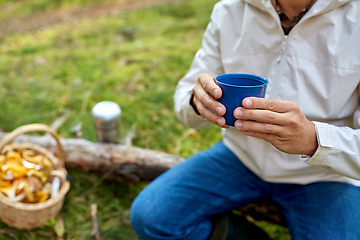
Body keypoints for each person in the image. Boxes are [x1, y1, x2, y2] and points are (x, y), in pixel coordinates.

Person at [130, 0, 360, 239]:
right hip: (240, 156)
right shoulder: (230, 9)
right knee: (151, 218)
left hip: (325, 175)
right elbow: (187, 94)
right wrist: (196, 102)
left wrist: (314, 140)